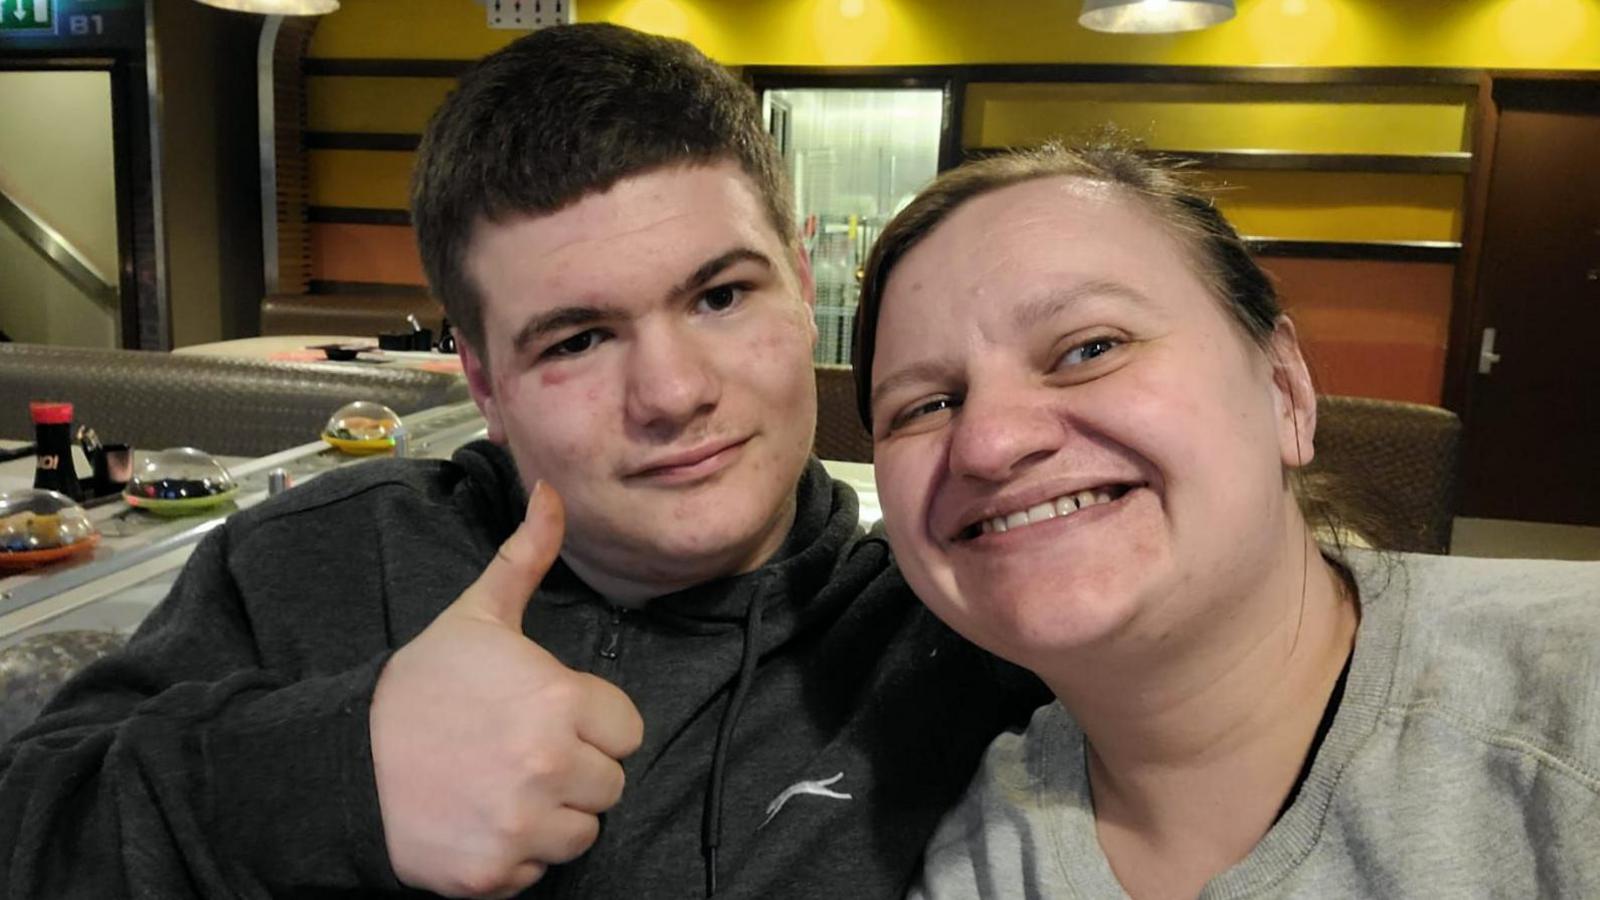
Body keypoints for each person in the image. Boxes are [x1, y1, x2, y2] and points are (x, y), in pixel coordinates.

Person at [0, 24, 1043, 899]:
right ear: (484, 384)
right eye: (577, 339)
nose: (673, 392)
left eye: (720, 296)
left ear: (802, 277)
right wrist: (335, 776)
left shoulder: (952, 623)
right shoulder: (311, 568)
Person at [852, 143, 1600, 899]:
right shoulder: (968, 858)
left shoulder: (1573, 705)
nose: (989, 442)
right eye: (926, 406)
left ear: (1284, 391)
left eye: (1090, 348)